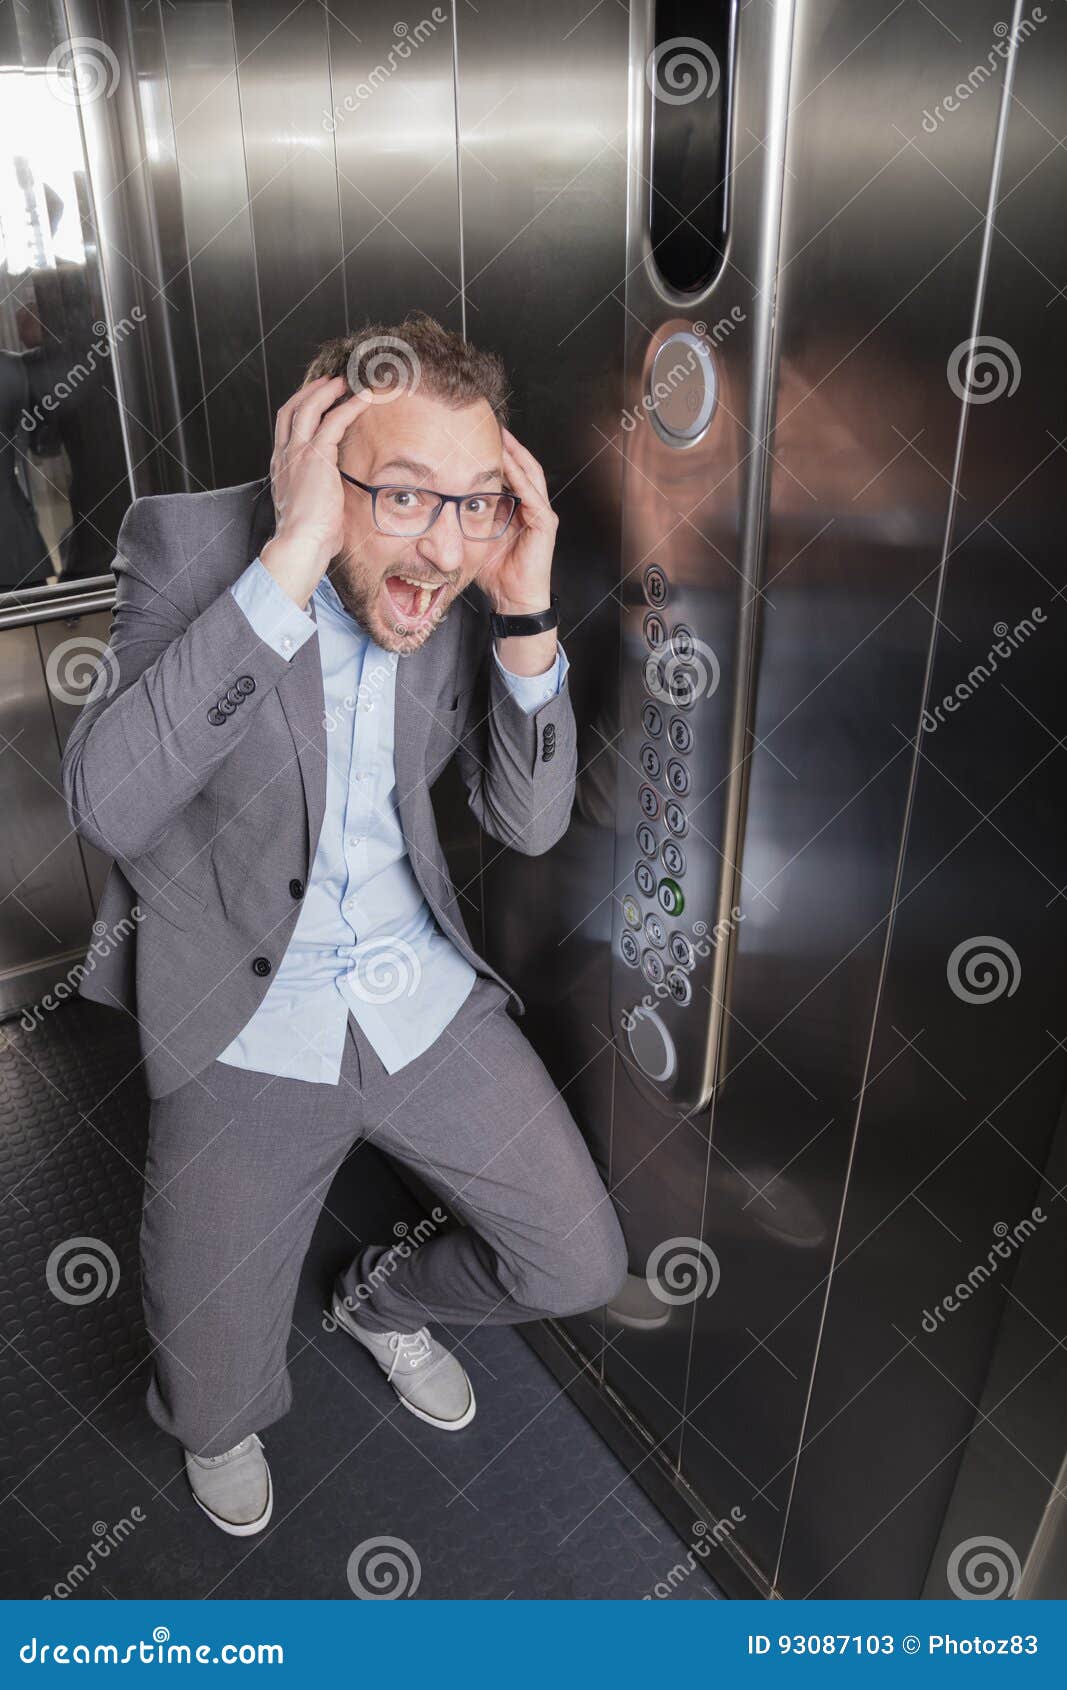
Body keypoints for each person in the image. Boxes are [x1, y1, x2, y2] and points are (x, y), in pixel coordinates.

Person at [61, 313, 627, 1537]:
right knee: (209, 1399)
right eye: (406, 494)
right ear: (317, 457)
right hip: (244, 1014)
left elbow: (525, 823)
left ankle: (378, 1299)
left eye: (478, 500)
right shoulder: (189, 542)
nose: (446, 537)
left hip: (418, 991)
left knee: (578, 1266)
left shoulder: (470, 570)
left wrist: (524, 610)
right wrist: (296, 553)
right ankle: (216, 1416)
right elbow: (108, 796)